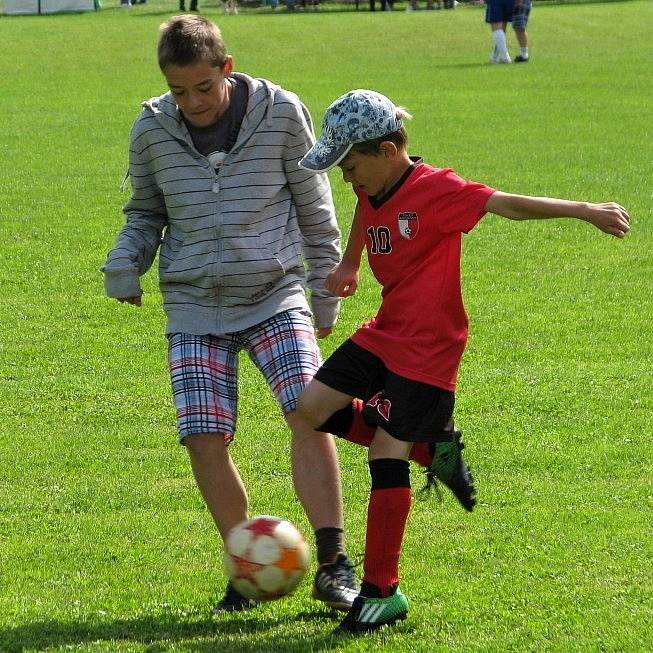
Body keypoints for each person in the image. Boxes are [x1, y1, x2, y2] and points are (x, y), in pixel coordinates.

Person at [297, 89, 630, 634]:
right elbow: (365, 212)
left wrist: (584, 211)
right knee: (310, 407)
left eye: (350, 164)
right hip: (386, 330)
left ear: (386, 150)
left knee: (386, 449)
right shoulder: (373, 186)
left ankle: (382, 592)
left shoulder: (438, 191)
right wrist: (350, 264)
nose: (346, 177)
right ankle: (432, 445)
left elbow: (508, 205)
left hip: (429, 345)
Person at [101, 15, 362, 614]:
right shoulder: (151, 128)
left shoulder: (281, 113)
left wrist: (324, 298)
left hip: (275, 292)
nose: (191, 102)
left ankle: (333, 563)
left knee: (309, 409)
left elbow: (315, 208)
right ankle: (248, 567)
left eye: (202, 87)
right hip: (194, 303)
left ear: (227, 67)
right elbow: (145, 211)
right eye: (178, 91)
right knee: (204, 436)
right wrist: (124, 267)